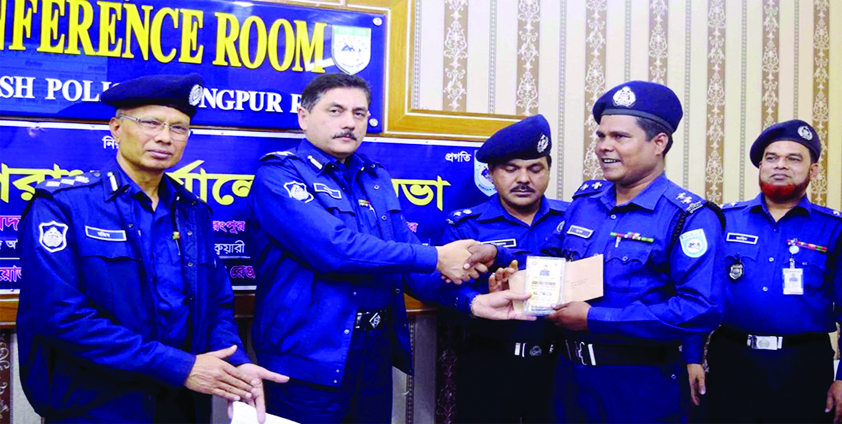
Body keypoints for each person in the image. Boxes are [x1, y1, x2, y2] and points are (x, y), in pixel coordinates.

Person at [247, 73, 531, 424]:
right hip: (307, 357)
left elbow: (406, 261)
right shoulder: (279, 175)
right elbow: (337, 250)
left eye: (359, 113)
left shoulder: (374, 178)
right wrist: (439, 256)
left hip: (373, 353)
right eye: (335, 111)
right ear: (303, 116)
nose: (349, 123)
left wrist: (472, 302)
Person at [17, 74, 287, 423]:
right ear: (116, 128)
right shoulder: (62, 206)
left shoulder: (193, 213)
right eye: (151, 123)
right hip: (97, 404)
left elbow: (216, 305)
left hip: (180, 404)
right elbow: (61, 317)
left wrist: (233, 364)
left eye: (179, 127)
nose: (165, 137)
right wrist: (180, 366)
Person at [488, 81, 725, 422]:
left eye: (619, 137)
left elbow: (701, 310)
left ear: (659, 143)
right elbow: (553, 266)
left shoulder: (688, 217)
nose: (603, 147)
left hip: (639, 387)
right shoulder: (586, 202)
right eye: (601, 136)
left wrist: (594, 319)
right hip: (569, 381)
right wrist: (513, 281)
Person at [685, 120, 842, 424]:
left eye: (794, 158)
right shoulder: (724, 220)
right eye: (772, 157)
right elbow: (701, 294)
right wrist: (692, 356)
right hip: (731, 359)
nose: (781, 165)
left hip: (802, 365)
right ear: (761, 165)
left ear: (813, 170)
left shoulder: (836, 229)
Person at [437, 114, 567, 423]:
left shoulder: (573, 219)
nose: (524, 179)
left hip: (561, 364)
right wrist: (482, 293)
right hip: (491, 361)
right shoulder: (466, 225)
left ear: (548, 170)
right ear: (491, 173)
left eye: (535, 168)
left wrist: (500, 253)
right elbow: (444, 291)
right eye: (511, 169)